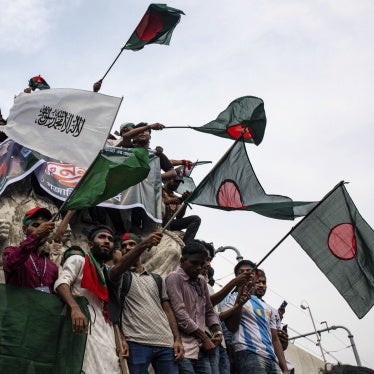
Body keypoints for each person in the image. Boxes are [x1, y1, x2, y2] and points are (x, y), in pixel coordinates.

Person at [55, 225, 162, 374]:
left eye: (110, 239)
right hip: (82, 325)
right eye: (102, 237)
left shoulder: (108, 272)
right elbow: (61, 284)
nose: (107, 241)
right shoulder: (79, 260)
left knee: (111, 367)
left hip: (106, 330)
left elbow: (112, 306)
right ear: (90, 244)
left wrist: (121, 337)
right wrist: (75, 308)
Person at [118, 232, 184, 373]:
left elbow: (167, 309)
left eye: (132, 244)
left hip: (165, 342)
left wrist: (177, 339)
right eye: (124, 246)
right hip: (136, 342)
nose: (128, 248)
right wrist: (144, 244)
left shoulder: (156, 278)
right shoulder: (119, 276)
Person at [220, 260, 289, 374]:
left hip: (271, 359)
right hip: (248, 353)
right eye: (241, 273)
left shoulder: (267, 308)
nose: (245, 275)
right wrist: (239, 304)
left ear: (254, 277)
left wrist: (285, 368)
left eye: (249, 272)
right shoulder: (230, 298)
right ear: (236, 277)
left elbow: (275, 339)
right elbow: (231, 327)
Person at [165, 241, 223, 374]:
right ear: (182, 261)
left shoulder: (201, 281)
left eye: (202, 264)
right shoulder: (174, 278)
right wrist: (204, 337)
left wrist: (218, 332)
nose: (198, 267)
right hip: (182, 346)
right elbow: (180, 314)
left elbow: (209, 311)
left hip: (200, 348)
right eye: (194, 263)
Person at [2, 206, 58, 293]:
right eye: (36, 225)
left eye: (45, 226)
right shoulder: (10, 251)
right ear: (24, 229)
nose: (42, 229)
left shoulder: (52, 266)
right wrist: (36, 235)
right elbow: (11, 263)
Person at [162, 176, 201, 243]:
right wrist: (171, 201)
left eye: (178, 183)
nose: (176, 184)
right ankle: (166, 235)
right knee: (166, 208)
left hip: (169, 223)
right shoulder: (157, 189)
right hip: (157, 219)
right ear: (168, 179)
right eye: (175, 181)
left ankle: (187, 243)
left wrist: (185, 202)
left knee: (196, 219)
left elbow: (179, 216)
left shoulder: (176, 198)